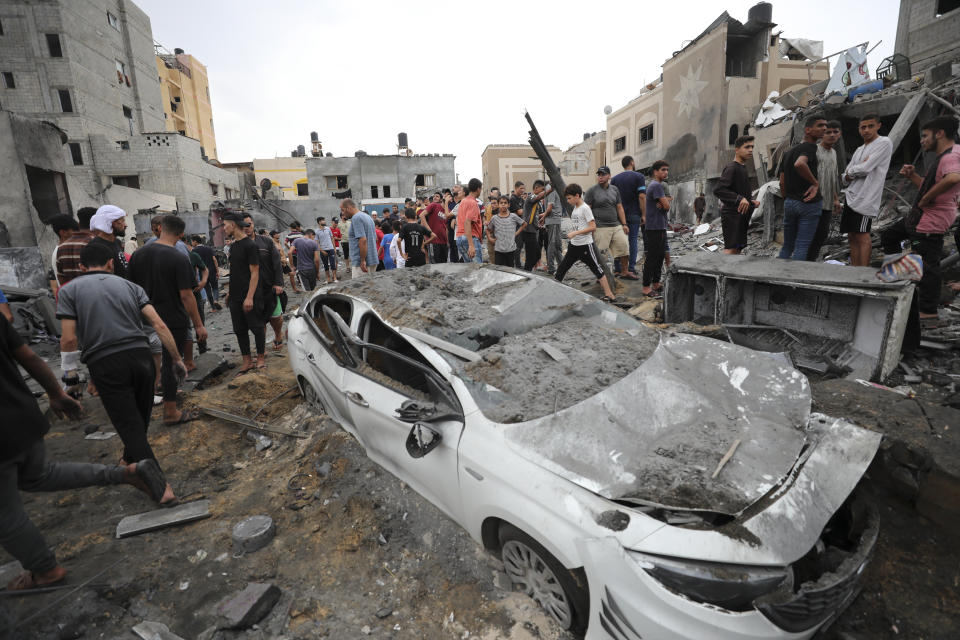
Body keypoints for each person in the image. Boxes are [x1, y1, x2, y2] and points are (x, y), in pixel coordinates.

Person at [0, 312, 168, 592]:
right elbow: (29, 358)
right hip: (21, 415)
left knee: (5, 514)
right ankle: (124, 474)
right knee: (39, 474)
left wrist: (68, 383)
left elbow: (67, 339)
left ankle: (45, 570)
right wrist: (56, 392)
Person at [58, 240, 185, 503]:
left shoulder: (69, 291)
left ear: (82, 267)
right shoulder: (131, 287)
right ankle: (129, 458)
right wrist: (176, 359)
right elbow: (159, 324)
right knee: (139, 420)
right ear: (111, 264)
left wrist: (70, 378)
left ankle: (161, 488)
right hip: (141, 359)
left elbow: (69, 340)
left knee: (129, 424)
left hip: (106, 363)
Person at [881, 116, 960, 326]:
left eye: (925, 136)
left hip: (930, 222)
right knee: (890, 235)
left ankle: (927, 312)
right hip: (918, 219)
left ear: (940, 133)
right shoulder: (943, 157)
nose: (922, 140)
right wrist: (914, 176)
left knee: (928, 264)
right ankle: (900, 276)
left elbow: (953, 178)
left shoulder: (951, 156)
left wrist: (926, 198)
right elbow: (930, 184)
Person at [127, 215, 205, 424]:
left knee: (150, 359)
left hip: (144, 317)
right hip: (172, 319)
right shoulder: (179, 257)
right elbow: (187, 295)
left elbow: (130, 289)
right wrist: (198, 324)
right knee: (172, 361)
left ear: (160, 229)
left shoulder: (137, 255)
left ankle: (150, 396)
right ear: (180, 234)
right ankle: (171, 411)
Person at [842, 114, 894, 266]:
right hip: (851, 196)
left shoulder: (884, 142)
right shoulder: (859, 150)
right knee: (852, 236)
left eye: (870, 126)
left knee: (862, 236)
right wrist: (853, 171)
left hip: (866, 198)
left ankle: (862, 273)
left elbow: (865, 169)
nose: (866, 130)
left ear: (878, 125)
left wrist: (853, 171)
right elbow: (844, 177)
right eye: (863, 127)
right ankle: (854, 270)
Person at [554, 184, 617, 301]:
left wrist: (575, 233)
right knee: (562, 268)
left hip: (585, 246)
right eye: (567, 198)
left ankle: (610, 295)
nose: (568, 201)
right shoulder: (576, 208)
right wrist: (573, 233)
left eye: (569, 198)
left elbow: (593, 227)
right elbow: (579, 225)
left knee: (596, 269)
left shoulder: (585, 208)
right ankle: (553, 292)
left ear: (577, 196)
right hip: (574, 245)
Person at [221, 211, 266, 373]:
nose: (224, 228)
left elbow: (255, 272)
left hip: (251, 295)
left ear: (233, 225)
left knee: (257, 327)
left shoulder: (250, 245)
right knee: (239, 329)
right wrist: (229, 292)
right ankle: (246, 360)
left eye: (225, 225)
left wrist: (249, 297)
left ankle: (260, 357)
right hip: (235, 295)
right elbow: (235, 272)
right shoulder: (233, 246)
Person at [778, 114, 827, 260]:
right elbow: (800, 164)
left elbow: (782, 181)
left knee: (787, 246)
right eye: (820, 125)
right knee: (802, 246)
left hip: (790, 203)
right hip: (808, 204)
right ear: (808, 130)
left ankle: (777, 277)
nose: (824, 128)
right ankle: (793, 280)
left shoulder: (788, 152)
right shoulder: (810, 147)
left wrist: (787, 198)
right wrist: (815, 183)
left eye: (826, 125)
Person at [715, 136, 760, 255]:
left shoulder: (742, 168)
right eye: (747, 147)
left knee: (738, 248)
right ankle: (722, 273)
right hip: (731, 216)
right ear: (736, 150)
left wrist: (750, 202)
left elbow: (738, 191)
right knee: (731, 249)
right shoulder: (732, 168)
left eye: (752, 147)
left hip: (741, 216)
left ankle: (730, 273)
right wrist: (739, 199)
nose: (750, 150)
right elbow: (719, 190)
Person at [585, 166, 631, 277]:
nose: (600, 177)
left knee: (624, 247)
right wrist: (589, 227)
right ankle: (601, 276)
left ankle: (624, 272)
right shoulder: (592, 191)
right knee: (601, 254)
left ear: (609, 176)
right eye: (599, 175)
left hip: (616, 225)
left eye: (603, 174)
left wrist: (624, 224)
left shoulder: (614, 189)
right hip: (600, 227)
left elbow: (619, 207)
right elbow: (586, 210)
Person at [807, 121, 843, 261]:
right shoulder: (814, 151)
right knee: (810, 236)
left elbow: (832, 178)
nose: (832, 135)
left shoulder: (834, 153)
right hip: (813, 202)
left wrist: (835, 199)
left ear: (839, 134)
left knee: (821, 235)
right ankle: (803, 265)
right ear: (822, 134)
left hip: (827, 203)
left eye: (835, 132)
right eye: (828, 132)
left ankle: (810, 263)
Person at [610, 157, 646, 278]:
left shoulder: (615, 179)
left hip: (619, 216)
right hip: (634, 214)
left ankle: (617, 268)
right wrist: (644, 214)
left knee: (618, 241)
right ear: (632, 163)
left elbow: (612, 199)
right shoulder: (639, 177)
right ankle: (630, 268)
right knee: (633, 241)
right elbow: (642, 197)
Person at [643, 161, 671, 296]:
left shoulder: (656, 186)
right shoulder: (656, 186)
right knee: (652, 257)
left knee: (659, 256)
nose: (665, 172)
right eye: (663, 170)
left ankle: (656, 283)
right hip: (655, 227)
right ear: (655, 172)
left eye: (667, 170)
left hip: (658, 226)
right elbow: (667, 206)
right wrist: (664, 202)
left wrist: (663, 202)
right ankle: (646, 287)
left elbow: (665, 204)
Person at [54, 209, 96, 287]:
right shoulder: (94, 243)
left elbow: (61, 278)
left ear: (79, 223)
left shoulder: (62, 247)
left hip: (72, 295)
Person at [88, 205, 130, 279]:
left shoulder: (117, 242)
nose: (125, 225)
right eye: (122, 221)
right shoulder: (96, 247)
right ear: (111, 223)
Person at [341, 198, 378, 278]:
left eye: (343, 210)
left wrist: (362, 260)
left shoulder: (356, 218)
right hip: (373, 259)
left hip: (362, 264)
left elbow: (363, 240)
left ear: (349, 208)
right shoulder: (368, 217)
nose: (343, 213)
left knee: (359, 288)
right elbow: (375, 238)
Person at [519, 181, 551, 271]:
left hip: (532, 231)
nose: (543, 192)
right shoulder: (531, 197)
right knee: (531, 256)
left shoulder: (537, 203)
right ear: (536, 188)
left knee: (536, 254)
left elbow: (535, 216)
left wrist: (540, 222)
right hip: (527, 231)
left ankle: (527, 270)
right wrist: (551, 189)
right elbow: (538, 197)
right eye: (542, 190)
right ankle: (527, 272)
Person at [487, 195, 526, 266]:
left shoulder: (513, 216)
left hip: (510, 250)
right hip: (498, 250)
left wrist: (516, 233)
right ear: (498, 205)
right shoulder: (494, 218)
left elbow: (524, 224)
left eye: (505, 203)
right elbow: (488, 230)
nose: (503, 205)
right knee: (499, 271)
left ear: (508, 205)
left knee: (510, 271)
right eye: (501, 203)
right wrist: (490, 238)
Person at [455, 178, 484, 263]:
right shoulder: (473, 203)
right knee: (477, 270)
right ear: (478, 189)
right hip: (470, 238)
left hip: (460, 238)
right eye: (481, 189)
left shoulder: (463, 201)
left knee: (469, 271)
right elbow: (467, 222)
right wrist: (471, 245)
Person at [191, 235, 221, 311]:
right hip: (212, 271)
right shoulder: (208, 248)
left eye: (192, 241)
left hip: (203, 274)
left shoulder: (194, 251)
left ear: (195, 241)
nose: (191, 243)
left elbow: (195, 266)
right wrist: (217, 271)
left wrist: (196, 276)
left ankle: (213, 308)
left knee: (208, 290)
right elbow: (214, 260)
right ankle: (216, 300)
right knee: (215, 287)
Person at [541, 182, 564, 274]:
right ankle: (551, 268)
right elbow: (550, 207)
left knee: (557, 243)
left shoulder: (551, 188)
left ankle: (562, 265)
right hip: (553, 219)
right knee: (553, 244)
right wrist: (543, 217)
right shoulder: (551, 188)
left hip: (555, 220)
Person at [419, 197, 448, 264]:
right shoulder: (434, 205)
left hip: (444, 242)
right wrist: (429, 231)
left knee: (444, 264)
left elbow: (446, 227)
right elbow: (421, 215)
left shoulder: (448, 211)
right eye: (434, 196)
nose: (435, 197)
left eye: (437, 196)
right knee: (434, 264)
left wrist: (448, 241)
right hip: (434, 241)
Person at [315, 217, 339, 282]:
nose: (324, 221)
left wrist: (334, 248)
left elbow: (332, 238)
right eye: (323, 220)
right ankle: (328, 278)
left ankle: (334, 278)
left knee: (333, 264)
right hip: (323, 250)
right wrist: (321, 250)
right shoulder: (316, 231)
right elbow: (317, 242)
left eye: (324, 220)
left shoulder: (328, 229)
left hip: (331, 249)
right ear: (319, 222)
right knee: (325, 265)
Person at [284, 221, 304, 293]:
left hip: (293, 253)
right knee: (301, 266)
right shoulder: (301, 234)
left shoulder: (289, 235)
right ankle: (302, 281)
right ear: (296, 227)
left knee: (295, 267)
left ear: (290, 228)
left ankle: (299, 281)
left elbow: (285, 243)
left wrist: (290, 248)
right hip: (301, 253)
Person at [446, 187, 462, 262]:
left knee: (460, 252)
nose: (453, 188)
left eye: (456, 187)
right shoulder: (450, 202)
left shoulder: (463, 202)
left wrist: (455, 219)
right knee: (452, 250)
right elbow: (445, 215)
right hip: (451, 230)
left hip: (460, 231)